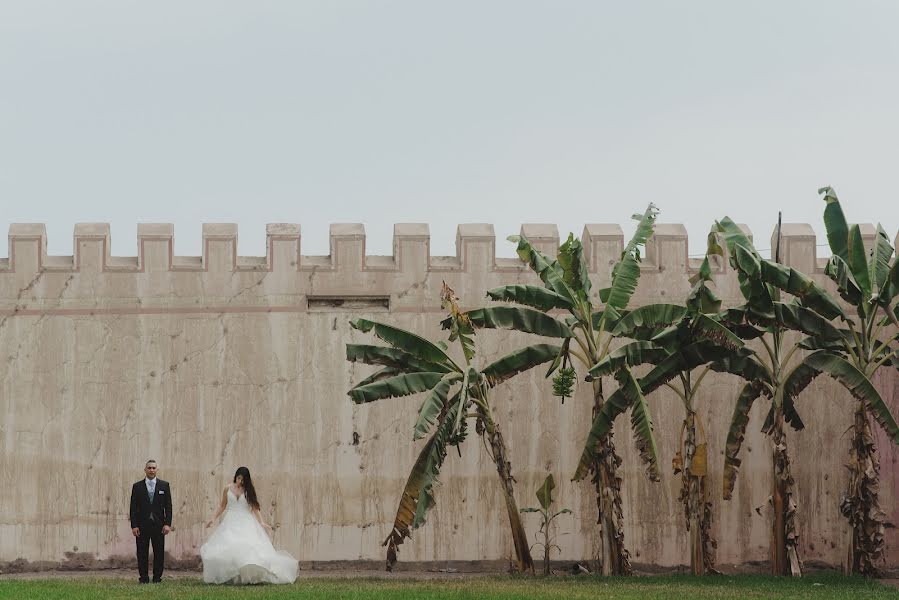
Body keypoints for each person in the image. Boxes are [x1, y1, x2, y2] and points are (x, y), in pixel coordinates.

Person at [201, 467, 298, 584]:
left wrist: (261, 522)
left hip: (246, 522)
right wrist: (213, 518)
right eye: (238, 478)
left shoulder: (248, 491)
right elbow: (222, 505)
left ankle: (245, 576)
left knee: (247, 549)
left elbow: (255, 508)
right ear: (235, 476)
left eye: (243, 479)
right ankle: (231, 576)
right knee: (229, 547)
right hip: (230, 522)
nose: (240, 482)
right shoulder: (227, 488)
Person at [129, 459, 173, 584]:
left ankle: (157, 578)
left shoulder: (164, 485)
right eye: (149, 468)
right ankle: (143, 578)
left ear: (157, 470)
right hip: (142, 526)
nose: (151, 470)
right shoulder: (137, 487)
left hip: (159, 526)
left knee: (159, 553)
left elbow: (168, 507)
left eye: (154, 468)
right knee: (142, 553)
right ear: (145, 470)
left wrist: (167, 524)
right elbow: (133, 507)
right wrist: (134, 525)